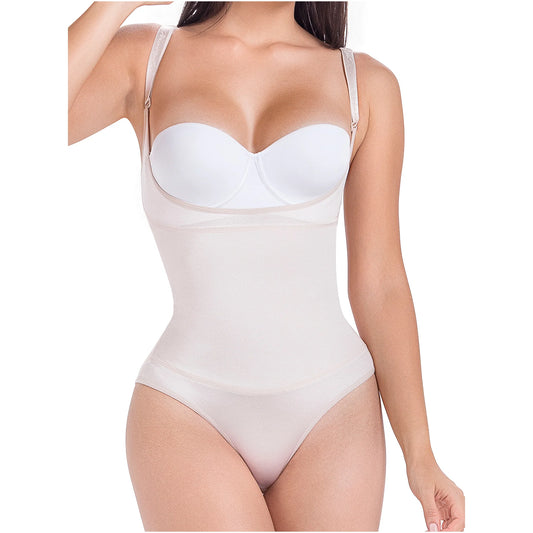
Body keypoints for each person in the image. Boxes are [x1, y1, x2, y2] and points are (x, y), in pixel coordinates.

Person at [68, 2, 465, 531]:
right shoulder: (146, 59)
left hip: (334, 408)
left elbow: (381, 282)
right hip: (188, 408)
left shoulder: (366, 85)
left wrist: (421, 453)